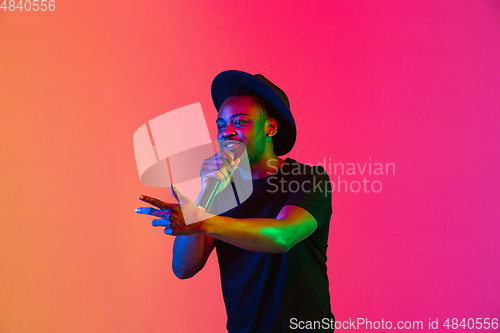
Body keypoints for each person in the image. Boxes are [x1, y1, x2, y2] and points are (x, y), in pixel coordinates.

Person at [136, 70, 334, 332]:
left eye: (239, 123)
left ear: (270, 128)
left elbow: (282, 237)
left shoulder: (308, 178)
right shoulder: (220, 191)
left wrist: (204, 221)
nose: (226, 132)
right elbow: (184, 268)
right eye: (220, 125)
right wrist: (206, 194)